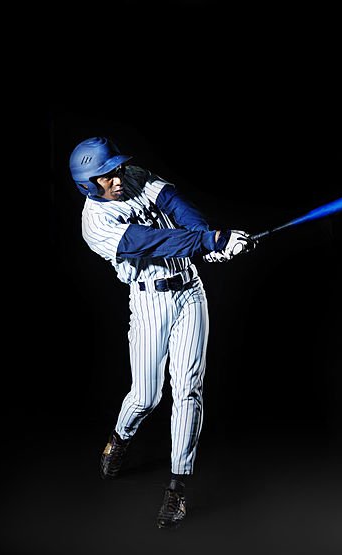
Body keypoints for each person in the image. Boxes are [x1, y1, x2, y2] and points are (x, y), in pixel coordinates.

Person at [70, 136, 255, 529]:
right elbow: (150, 242)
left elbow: (175, 203)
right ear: (87, 184)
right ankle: (120, 438)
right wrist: (208, 242)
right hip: (150, 302)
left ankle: (177, 489)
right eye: (105, 176)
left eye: (116, 169)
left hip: (190, 290)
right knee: (146, 396)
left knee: (188, 388)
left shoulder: (133, 176)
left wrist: (208, 243)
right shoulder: (94, 224)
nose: (116, 178)